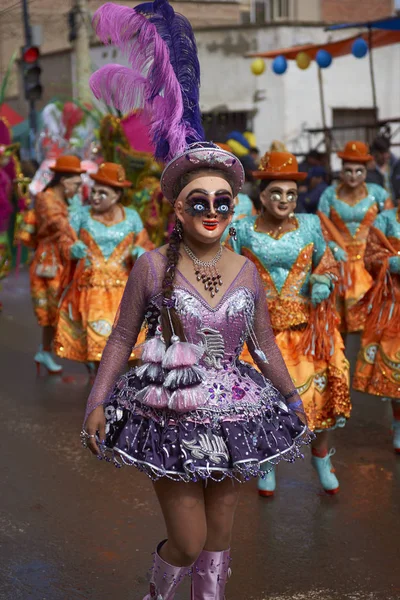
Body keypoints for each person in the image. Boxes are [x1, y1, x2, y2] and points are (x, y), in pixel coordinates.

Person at [82, 3, 311, 598]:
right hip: (169, 411)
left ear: (233, 210)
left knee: (219, 536)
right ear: (177, 210)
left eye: (222, 203)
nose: (212, 212)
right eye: (198, 203)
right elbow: (120, 338)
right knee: (186, 539)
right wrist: (96, 402)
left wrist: (291, 397)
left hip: (237, 412)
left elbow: (263, 345)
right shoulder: (152, 265)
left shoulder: (249, 272)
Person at [230, 151, 351, 497]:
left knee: (321, 400)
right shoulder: (242, 230)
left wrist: (323, 281)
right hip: (260, 334)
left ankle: (321, 459)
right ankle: (266, 463)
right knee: (263, 402)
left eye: (291, 194)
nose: (284, 200)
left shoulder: (311, 225)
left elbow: (326, 262)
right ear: (261, 196)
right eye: (276, 193)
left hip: (308, 330)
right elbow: (230, 271)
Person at [54, 162, 153, 372]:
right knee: (100, 346)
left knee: (132, 342)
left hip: (125, 290)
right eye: (94, 191)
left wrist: (140, 252)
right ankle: (100, 394)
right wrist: (72, 249)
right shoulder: (81, 215)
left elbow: (145, 245)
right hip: (91, 290)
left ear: (117, 196)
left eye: (103, 193)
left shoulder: (132, 216)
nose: (95, 197)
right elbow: (64, 242)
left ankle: (129, 389)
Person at [318, 141, 392, 334]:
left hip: (369, 263)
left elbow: (390, 227)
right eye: (348, 170)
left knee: (370, 322)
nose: (353, 176)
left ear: (366, 172)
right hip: (338, 261)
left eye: (359, 171)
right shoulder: (329, 194)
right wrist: (333, 247)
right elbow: (321, 227)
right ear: (341, 171)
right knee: (336, 324)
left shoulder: (378, 193)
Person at [30, 155, 86, 374]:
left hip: (65, 260)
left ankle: (48, 351)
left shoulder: (64, 201)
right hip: (49, 263)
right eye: (76, 184)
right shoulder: (46, 198)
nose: (78, 188)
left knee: (65, 307)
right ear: (64, 181)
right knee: (52, 310)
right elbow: (59, 226)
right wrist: (74, 215)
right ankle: (46, 350)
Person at [353, 204, 400, 454]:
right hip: (393, 304)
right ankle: (398, 422)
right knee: (395, 373)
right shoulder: (385, 220)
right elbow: (371, 257)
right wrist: (393, 264)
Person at [366, 135, 400, 204]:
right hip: (379, 209)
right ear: (374, 153)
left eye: (386, 152)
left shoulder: (396, 166)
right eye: (381, 153)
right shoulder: (369, 170)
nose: (385, 156)